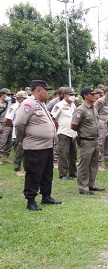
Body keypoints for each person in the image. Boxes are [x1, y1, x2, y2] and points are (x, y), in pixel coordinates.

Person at [15, 80, 62, 211]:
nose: (49, 93)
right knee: (34, 173)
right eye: (47, 90)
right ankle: (30, 200)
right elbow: (19, 124)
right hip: (34, 147)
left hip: (47, 146)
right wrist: (21, 139)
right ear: (38, 90)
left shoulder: (41, 104)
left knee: (47, 173)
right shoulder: (28, 104)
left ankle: (46, 196)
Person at [71, 88, 105, 195]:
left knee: (94, 164)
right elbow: (73, 125)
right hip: (86, 141)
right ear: (86, 96)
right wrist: (83, 132)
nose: (95, 96)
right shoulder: (81, 109)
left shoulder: (93, 108)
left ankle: (91, 184)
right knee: (84, 164)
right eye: (92, 94)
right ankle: (83, 187)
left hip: (95, 140)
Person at [51, 87, 78, 180]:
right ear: (66, 95)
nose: (73, 96)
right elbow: (53, 117)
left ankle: (73, 172)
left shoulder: (73, 105)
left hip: (73, 133)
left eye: (74, 95)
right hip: (63, 133)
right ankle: (63, 174)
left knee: (73, 155)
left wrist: (76, 133)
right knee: (63, 154)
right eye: (71, 95)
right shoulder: (59, 105)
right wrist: (57, 127)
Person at [5, 91, 29, 176]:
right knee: (18, 152)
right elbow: (7, 120)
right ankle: (17, 169)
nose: (26, 100)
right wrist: (14, 127)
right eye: (24, 98)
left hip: (27, 133)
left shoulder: (26, 107)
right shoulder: (14, 107)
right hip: (17, 133)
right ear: (19, 98)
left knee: (26, 152)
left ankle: (27, 169)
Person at [95, 86, 108, 169]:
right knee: (101, 144)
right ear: (107, 92)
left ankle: (107, 161)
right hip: (101, 125)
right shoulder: (101, 101)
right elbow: (95, 111)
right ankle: (98, 163)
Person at [0, 88, 13, 164]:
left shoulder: (9, 103)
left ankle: (6, 157)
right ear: (2, 95)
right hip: (2, 124)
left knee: (10, 141)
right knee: (2, 141)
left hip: (9, 124)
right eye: (8, 95)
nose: (9, 96)